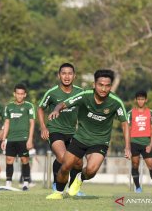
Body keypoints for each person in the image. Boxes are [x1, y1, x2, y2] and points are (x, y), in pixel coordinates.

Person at [46, 69, 131, 199]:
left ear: (111, 86)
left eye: (107, 85)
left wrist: (127, 147)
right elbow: (63, 103)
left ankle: (79, 178)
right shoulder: (85, 95)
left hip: (100, 141)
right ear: (94, 85)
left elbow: (125, 124)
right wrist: (56, 110)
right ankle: (58, 193)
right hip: (80, 139)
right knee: (65, 167)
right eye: (100, 85)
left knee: (91, 171)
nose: (103, 88)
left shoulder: (116, 102)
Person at [37, 63, 84, 195]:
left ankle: (73, 188)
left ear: (74, 76)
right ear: (59, 75)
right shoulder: (52, 92)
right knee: (64, 158)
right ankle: (57, 185)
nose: (67, 76)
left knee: (78, 162)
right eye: (64, 73)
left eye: (70, 73)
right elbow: (40, 108)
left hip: (73, 132)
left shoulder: (80, 92)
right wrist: (43, 127)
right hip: (55, 130)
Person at [1, 84, 35, 191]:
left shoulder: (29, 106)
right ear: (14, 94)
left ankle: (25, 183)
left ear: (25, 95)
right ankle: (8, 183)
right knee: (9, 160)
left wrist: (30, 139)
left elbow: (32, 123)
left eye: (22, 94)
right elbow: (6, 123)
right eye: (18, 94)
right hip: (11, 139)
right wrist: (4, 139)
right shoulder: (9, 107)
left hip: (24, 138)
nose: (19, 96)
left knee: (25, 160)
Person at [128, 90, 152, 194]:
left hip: (146, 143)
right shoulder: (130, 113)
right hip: (134, 142)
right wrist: (127, 146)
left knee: (151, 165)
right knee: (135, 165)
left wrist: (151, 144)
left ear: (146, 100)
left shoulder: (151, 113)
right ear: (135, 100)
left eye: (142, 99)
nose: (140, 101)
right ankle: (138, 187)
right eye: (138, 99)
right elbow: (127, 130)